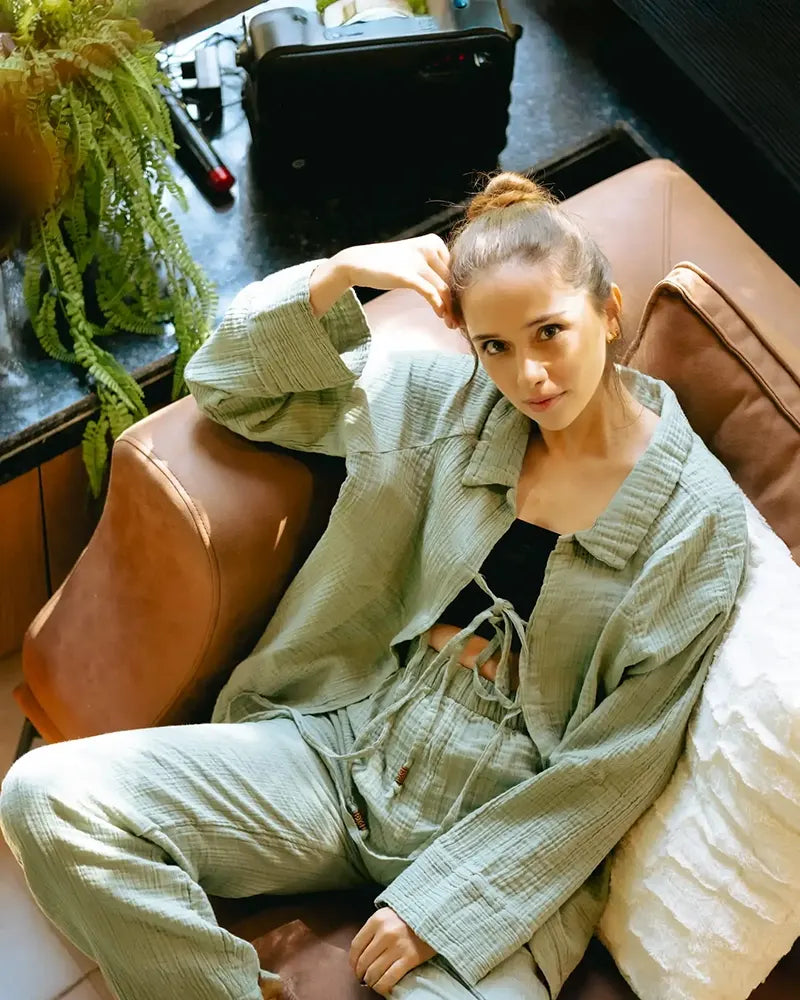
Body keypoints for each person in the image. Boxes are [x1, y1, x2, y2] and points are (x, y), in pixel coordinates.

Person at [0, 172, 749, 1000]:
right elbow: (224, 379)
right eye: (496, 346)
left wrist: (443, 905)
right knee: (47, 795)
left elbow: (616, 765)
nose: (528, 375)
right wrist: (340, 274)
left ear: (608, 313)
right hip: (343, 741)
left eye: (550, 332)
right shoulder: (443, 405)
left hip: (504, 822)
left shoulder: (696, 522)